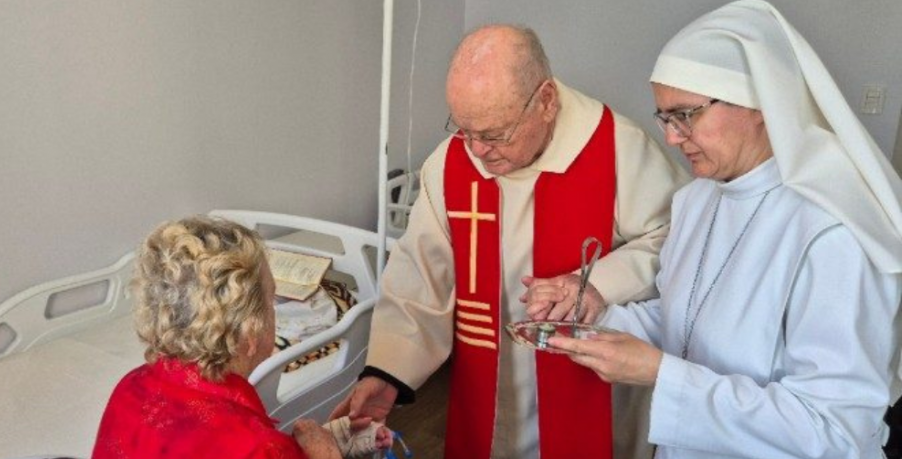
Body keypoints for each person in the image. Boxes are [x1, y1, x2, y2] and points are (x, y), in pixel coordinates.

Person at [535, 1, 902, 458]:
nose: (670, 137)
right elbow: (681, 318)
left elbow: (834, 431)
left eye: (685, 115)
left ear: (761, 105)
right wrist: (593, 315)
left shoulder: (832, 234)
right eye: (664, 117)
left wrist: (661, 375)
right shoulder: (696, 200)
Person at [331, 24, 689, 458]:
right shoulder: (451, 162)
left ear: (546, 101)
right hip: (491, 388)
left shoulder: (620, 149)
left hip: (590, 383)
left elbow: (678, 242)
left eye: (494, 134)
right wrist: (387, 374)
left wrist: (598, 285)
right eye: (464, 129)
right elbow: (422, 275)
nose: (477, 152)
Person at [91, 216, 349, 459]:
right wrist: (325, 452)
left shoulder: (130, 386)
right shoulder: (260, 447)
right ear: (251, 330)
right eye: (271, 300)